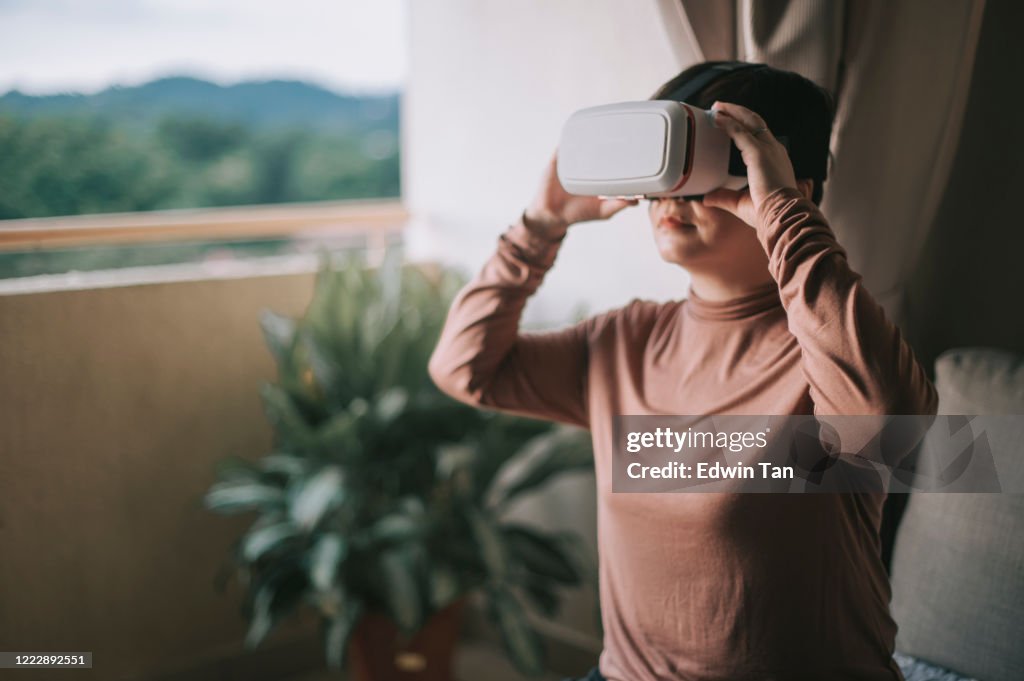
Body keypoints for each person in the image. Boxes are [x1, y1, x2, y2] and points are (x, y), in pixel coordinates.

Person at [428, 62, 936, 681]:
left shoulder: (828, 351)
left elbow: (888, 421)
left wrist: (785, 216)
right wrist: (542, 224)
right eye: (668, 171)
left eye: (706, 170)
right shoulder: (623, 341)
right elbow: (464, 368)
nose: (673, 197)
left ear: (781, 185)